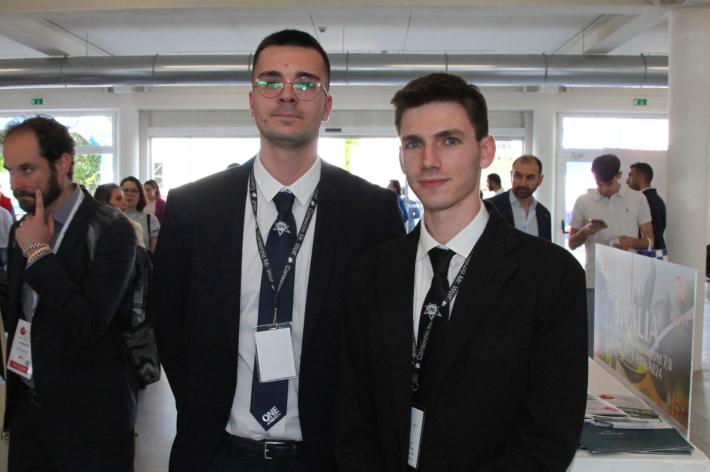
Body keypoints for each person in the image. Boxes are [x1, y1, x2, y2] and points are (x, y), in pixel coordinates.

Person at [151, 29, 404, 472]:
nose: (287, 95)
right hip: (217, 453)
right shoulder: (194, 207)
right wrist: (199, 405)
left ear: (326, 105)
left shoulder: (371, 212)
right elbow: (169, 321)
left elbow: (382, 343)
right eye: (271, 82)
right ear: (252, 101)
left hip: (328, 456)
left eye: (306, 83)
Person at [337, 73, 587, 471]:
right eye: (414, 143)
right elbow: (352, 413)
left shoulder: (549, 276)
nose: (429, 160)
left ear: (485, 151)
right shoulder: (372, 272)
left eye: (449, 141)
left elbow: (548, 436)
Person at [1, 116, 137, 471]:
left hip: (91, 422)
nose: (15, 184)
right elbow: (21, 313)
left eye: (27, 169)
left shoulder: (111, 229)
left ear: (63, 163)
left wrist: (38, 253)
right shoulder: (22, 228)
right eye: (10, 171)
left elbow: (88, 324)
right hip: (29, 416)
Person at [569, 153, 653, 356]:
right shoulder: (583, 201)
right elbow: (572, 243)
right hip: (594, 282)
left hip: (629, 283)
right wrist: (586, 231)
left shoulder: (638, 199)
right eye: (599, 183)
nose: (604, 189)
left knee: (626, 345)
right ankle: (590, 378)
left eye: (608, 183)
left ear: (619, 175)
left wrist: (632, 242)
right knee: (592, 343)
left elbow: (650, 242)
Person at [486, 154, 551, 240]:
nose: (523, 183)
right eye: (518, 176)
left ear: (540, 180)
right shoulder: (490, 207)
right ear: (511, 175)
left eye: (530, 178)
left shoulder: (544, 214)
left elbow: (546, 248)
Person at [627, 162, 666, 251]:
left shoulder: (642, 200)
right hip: (658, 251)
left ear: (640, 177)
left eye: (630, 175)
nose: (627, 181)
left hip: (647, 254)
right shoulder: (658, 199)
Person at [94, 183, 146, 248]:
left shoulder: (134, 227)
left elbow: (140, 253)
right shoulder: (90, 228)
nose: (125, 203)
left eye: (123, 198)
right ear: (105, 203)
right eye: (118, 199)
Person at [120, 176, 160, 253]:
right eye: (126, 190)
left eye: (134, 191)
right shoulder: (113, 218)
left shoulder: (150, 219)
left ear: (140, 195)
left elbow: (154, 253)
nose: (129, 194)